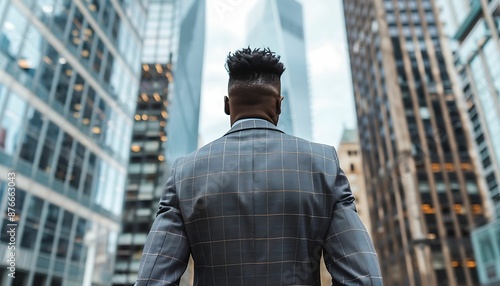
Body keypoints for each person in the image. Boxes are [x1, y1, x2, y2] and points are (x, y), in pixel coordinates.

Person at [135, 47, 382, 285]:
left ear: (226, 105)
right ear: (278, 105)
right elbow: (363, 279)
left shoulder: (185, 173)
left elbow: (152, 280)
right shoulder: (323, 165)